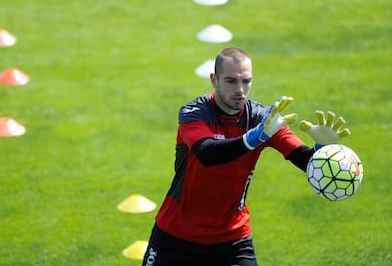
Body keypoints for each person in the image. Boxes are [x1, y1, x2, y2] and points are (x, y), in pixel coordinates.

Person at [142, 47, 350, 266]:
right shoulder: (194, 113)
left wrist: (322, 151)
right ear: (214, 80)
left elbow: (305, 162)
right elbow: (207, 153)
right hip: (175, 237)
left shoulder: (263, 120)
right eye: (231, 81)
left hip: (232, 240)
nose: (240, 90)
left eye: (246, 81)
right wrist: (254, 138)